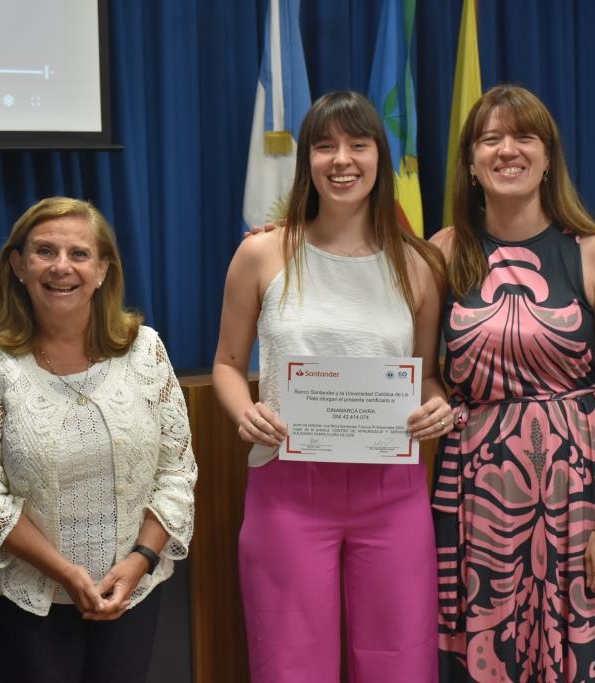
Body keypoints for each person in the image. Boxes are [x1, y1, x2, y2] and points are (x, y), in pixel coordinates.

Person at [213, 90, 451, 682]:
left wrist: (438, 408)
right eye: (325, 146)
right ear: (307, 162)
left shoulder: (418, 265)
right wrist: (244, 412)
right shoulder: (262, 253)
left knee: (400, 661)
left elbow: (426, 377)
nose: (341, 160)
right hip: (288, 490)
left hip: (392, 491)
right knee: (290, 663)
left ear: (380, 158)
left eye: (358, 144)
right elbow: (226, 363)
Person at [430, 84, 595, 681]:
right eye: (490, 138)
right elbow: (421, 372)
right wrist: (285, 235)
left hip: (578, 502)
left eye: (524, 136)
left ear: (549, 156)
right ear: (471, 163)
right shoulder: (440, 254)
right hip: (476, 505)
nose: (508, 150)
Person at [0, 196, 197, 683]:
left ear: (104, 269)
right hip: (24, 602)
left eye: (79, 254)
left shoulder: (146, 350)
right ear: (19, 266)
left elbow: (177, 471)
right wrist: (66, 573)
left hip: (131, 590)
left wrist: (141, 560)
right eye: (45, 251)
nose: (61, 267)